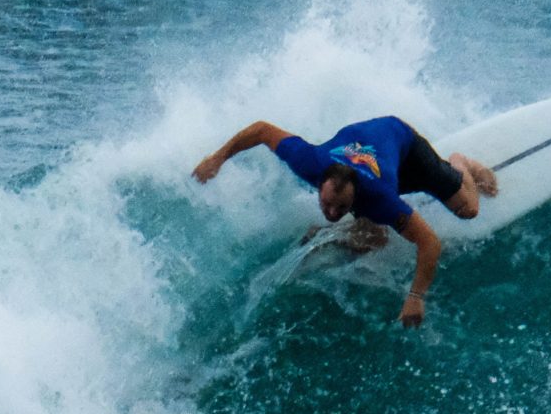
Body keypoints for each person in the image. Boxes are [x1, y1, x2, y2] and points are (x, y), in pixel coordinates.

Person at [193, 116, 498, 327]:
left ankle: (463, 163)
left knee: (468, 210)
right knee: (370, 239)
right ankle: (346, 228)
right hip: (373, 153)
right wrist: (216, 158)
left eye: (341, 208)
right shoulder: (310, 161)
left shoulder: (379, 199)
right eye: (327, 205)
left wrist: (416, 297)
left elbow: (429, 242)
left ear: (356, 195)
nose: (332, 212)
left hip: (402, 142)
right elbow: (261, 130)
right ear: (320, 182)